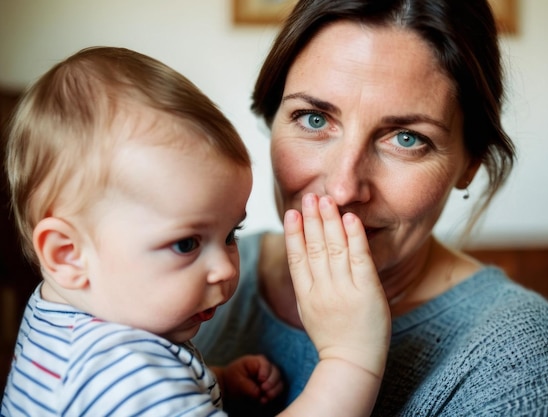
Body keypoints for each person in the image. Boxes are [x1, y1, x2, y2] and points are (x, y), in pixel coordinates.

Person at [193, 0, 548, 415]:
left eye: (405, 138)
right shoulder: (185, 274)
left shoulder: (520, 357)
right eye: (313, 119)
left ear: (470, 162)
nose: (344, 188)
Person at [1, 46, 391, 417]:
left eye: (230, 234)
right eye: (186, 243)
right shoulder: (123, 374)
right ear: (66, 254)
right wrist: (350, 359)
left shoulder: (63, 316)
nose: (224, 268)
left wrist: (214, 381)